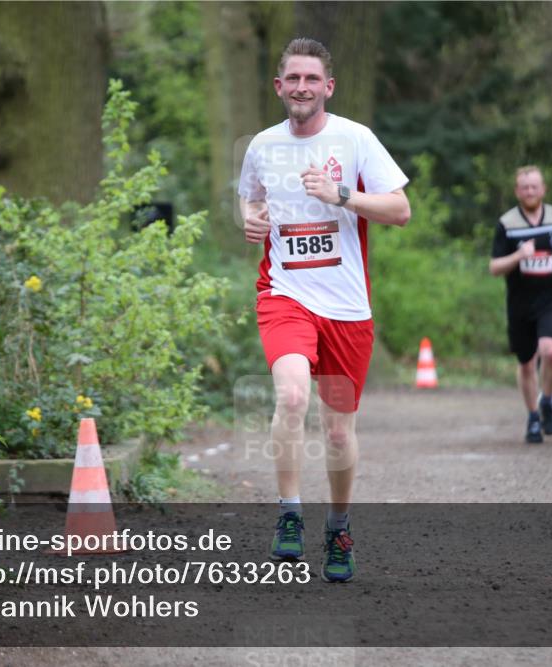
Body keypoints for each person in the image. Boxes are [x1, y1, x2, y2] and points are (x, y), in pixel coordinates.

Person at [238, 38, 410, 582]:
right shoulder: (262, 145)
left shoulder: (356, 139)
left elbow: (401, 210)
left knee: (338, 432)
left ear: (328, 87)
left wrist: (343, 195)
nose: (302, 87)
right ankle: (290, 515)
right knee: (290, 394)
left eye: (312, 79)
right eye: (293, 79)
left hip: (346, 306)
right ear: (279, 86)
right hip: (285, 294)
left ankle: (338, 527)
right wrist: (251, 219)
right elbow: (250, 197)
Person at [489, 166, 552, 444]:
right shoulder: (507, 223)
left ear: (543, 189)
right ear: (517, 192)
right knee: (527, 363)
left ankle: (548, 401)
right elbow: (494, 267)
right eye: (524, 187)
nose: (530, 191)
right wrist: (518, 256)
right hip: (519, 302)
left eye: (534, 186)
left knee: (551, 351)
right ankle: (532, 417)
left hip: (551, 298)